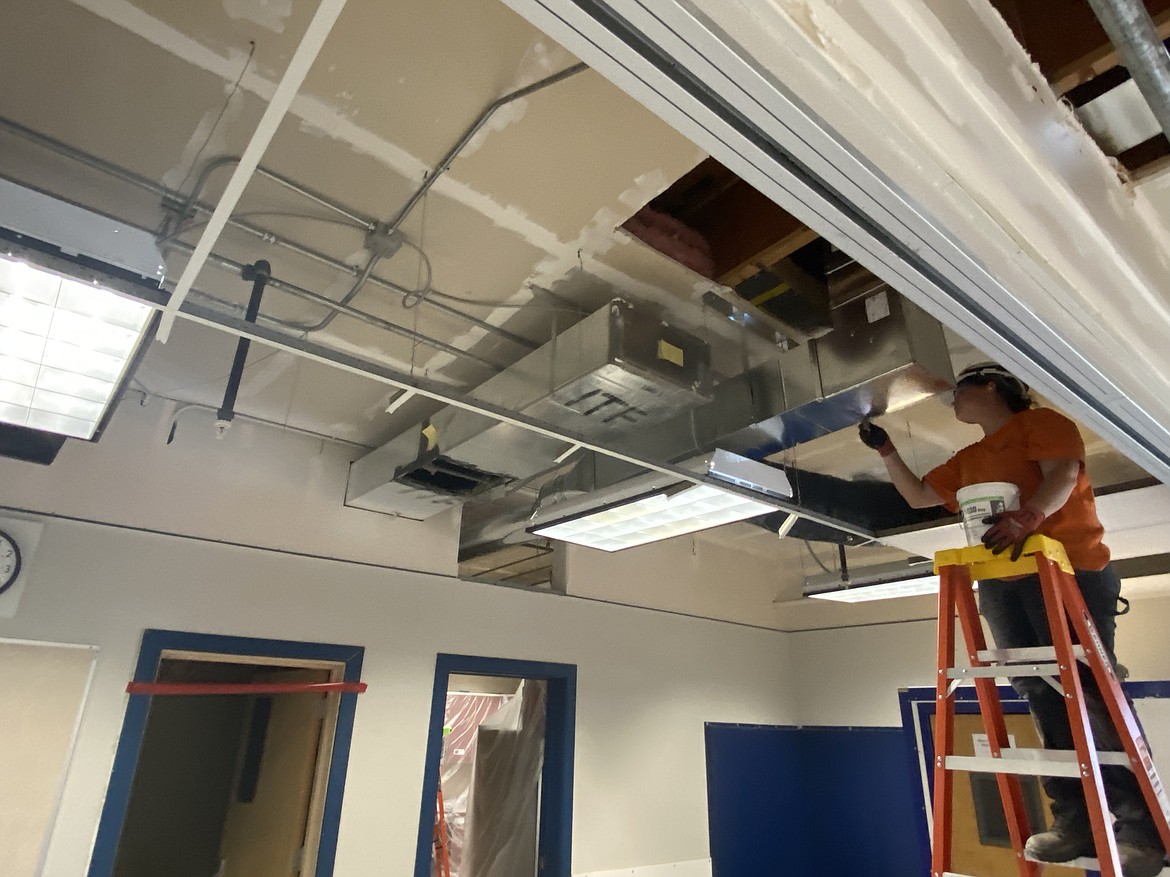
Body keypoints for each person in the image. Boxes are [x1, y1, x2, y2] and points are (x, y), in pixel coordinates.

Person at [859, 361, 1165, 877]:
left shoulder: (1040, 424)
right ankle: (1076, 825)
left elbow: (1063, 474)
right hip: (1004, 577)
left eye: (960, 389)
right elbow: (917, 497)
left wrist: (1029, 517)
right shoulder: (971, 457)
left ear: (993, 386)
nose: (952, 399)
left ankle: (1141, 831)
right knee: (1039, 690)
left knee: (1084, 687)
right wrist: (886, 450)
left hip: (1067, 566)